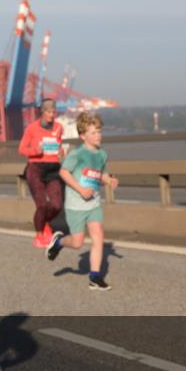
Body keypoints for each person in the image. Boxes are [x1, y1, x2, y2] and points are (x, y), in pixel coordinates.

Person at [46, 112, 118, 290]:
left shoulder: (102, 154)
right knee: (77, 243)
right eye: (93, 133)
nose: (98, 136)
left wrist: (109, 180)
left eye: (99, 131)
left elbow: (101, 173)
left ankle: (95, 277)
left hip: (93, 203)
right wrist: (80, 190)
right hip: (76, 205)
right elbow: (64, 172)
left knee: (98, 236)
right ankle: (58, 242)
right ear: (83, 136)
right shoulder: (77, 154)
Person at [19, 98, 65, 248]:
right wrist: (35, 151)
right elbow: (21, 149)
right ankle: (39, 235)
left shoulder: (59, 127)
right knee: (42, 205)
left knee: (57, 205)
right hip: (35, 169)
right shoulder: (31, 128)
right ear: (42, 112)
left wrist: (61, 153)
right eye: (49, 112)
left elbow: (58, 146)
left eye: (54, 111)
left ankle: (44, 224)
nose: (52, 115)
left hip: (53, 170)